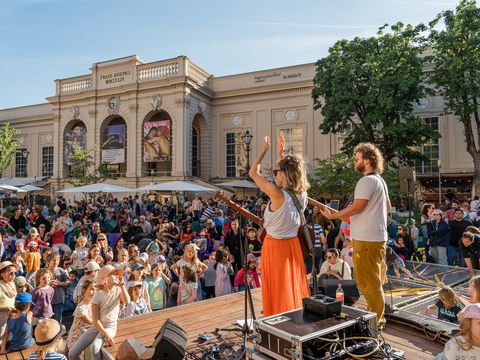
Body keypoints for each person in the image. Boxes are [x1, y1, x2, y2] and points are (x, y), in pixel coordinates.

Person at [320, 143, 391, 330]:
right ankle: (375, 319)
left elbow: (358, 207)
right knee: (371, 281)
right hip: (374, 238)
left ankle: (377, 323)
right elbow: (386, 208)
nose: (355, 161)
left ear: (367, 160)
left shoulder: (366, 181)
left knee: (370, 283)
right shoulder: (380, 181)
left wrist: (333, 216)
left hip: (368, 240)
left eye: (358, 158)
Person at [248, 134, 310, 317]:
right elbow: (289, 174)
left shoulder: (277, 195)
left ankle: (275, 314)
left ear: (283, 175)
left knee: (276, 284)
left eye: (277, 172)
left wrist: (263, 151)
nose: (275, 174)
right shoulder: (302, 195)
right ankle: (289, 314)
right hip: (292, 246)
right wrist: (281, 154)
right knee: (289, 284)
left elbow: (253, 173)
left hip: (275, 246)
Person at [68, 265, 129, 360]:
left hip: (110, 326)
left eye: (117, 274)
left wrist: (122, 285)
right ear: (105, 278)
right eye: (113, 274)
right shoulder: (97, 296)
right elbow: (95, 320)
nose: (117, 276)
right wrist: (106, 334)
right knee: (72, 354)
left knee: (95, 347)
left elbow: (127, 301)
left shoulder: (118, 289)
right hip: (98, 326)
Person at [0, 261, 18, 349]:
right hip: (1, 316)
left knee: (9, 333)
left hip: (11, 314)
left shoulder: (12, 284)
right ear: (2, 274)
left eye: (15, 273)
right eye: (11, 273)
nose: (13, 275)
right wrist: (4, 308)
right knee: (1, 333)